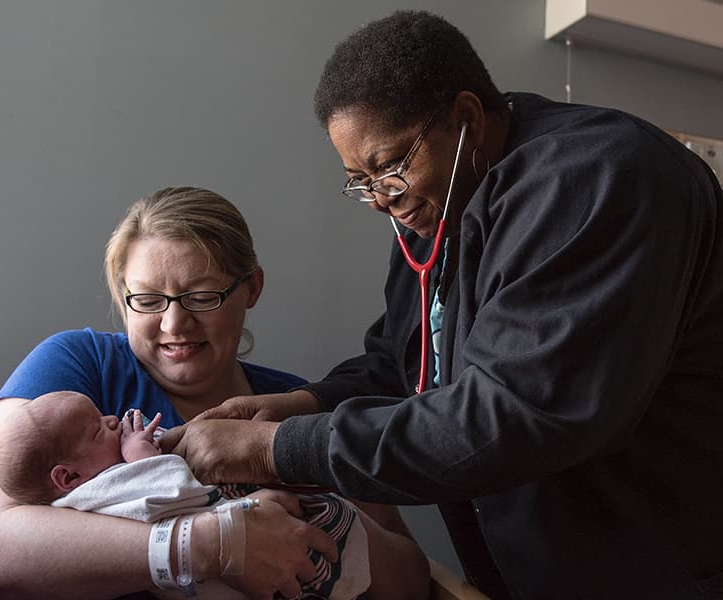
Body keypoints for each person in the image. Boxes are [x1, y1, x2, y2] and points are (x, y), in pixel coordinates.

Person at [158, 11, 723, 600]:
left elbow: (516, 412)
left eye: (390, 167)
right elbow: (402, 367)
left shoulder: (600, 179)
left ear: (466, 119)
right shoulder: (435, 215)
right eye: (360, 180)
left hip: (659, 568)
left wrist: (281, 450)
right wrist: (299, 405)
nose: (380, 199)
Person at [0, 186, 429, 600]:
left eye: (202, 296)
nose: (173, 324)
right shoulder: (76, 362)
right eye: (146, 300)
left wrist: (307, 510)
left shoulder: (297, 408)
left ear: (252, 289)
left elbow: (410, 579)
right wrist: (219, 543)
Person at [0, 390, 372, 600]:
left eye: (101, 415)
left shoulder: (91, 478)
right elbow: (169, 492)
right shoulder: (92, 497)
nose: (111, 421)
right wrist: (142, 455)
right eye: (96, 431)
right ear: (67, 476)